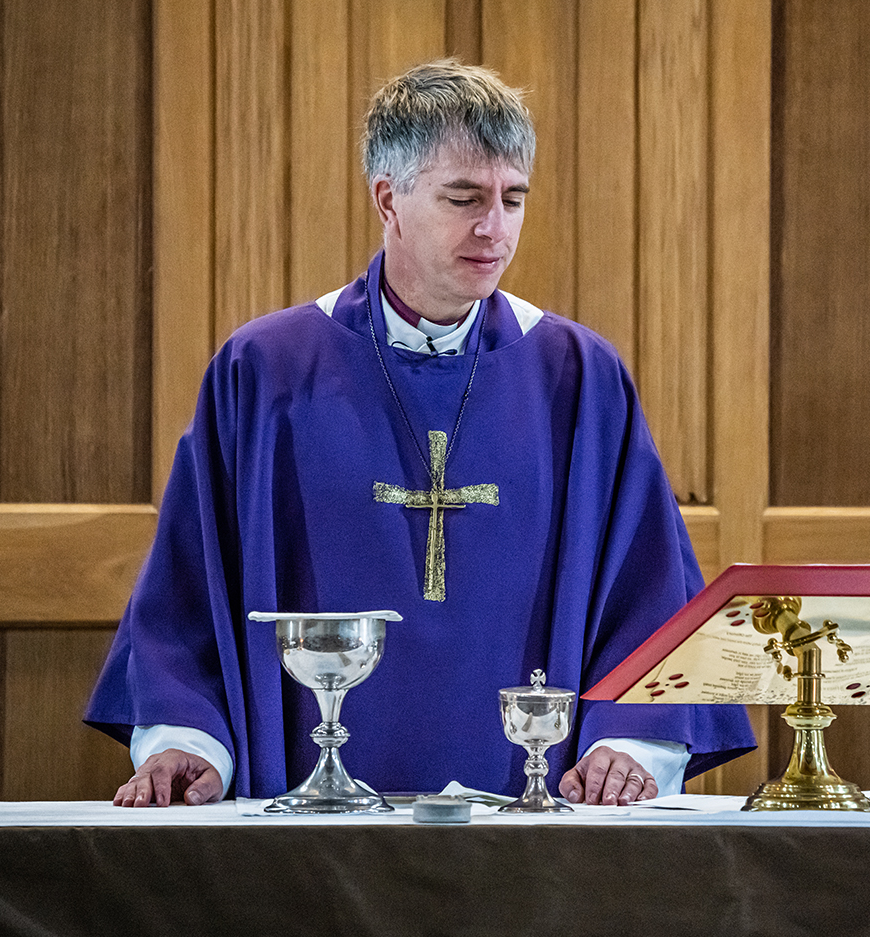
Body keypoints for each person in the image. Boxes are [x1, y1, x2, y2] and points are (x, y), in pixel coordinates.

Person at [85, 59, 755, 809]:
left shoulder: (578, 376)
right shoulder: (267, 371)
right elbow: (186, 593)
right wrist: (188, 742)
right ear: (389, 198)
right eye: (463, 198)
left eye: (512, 199)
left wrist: (625, 747)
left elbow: (648, 592)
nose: (493, 228)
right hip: (307, 827)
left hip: (537, 830)